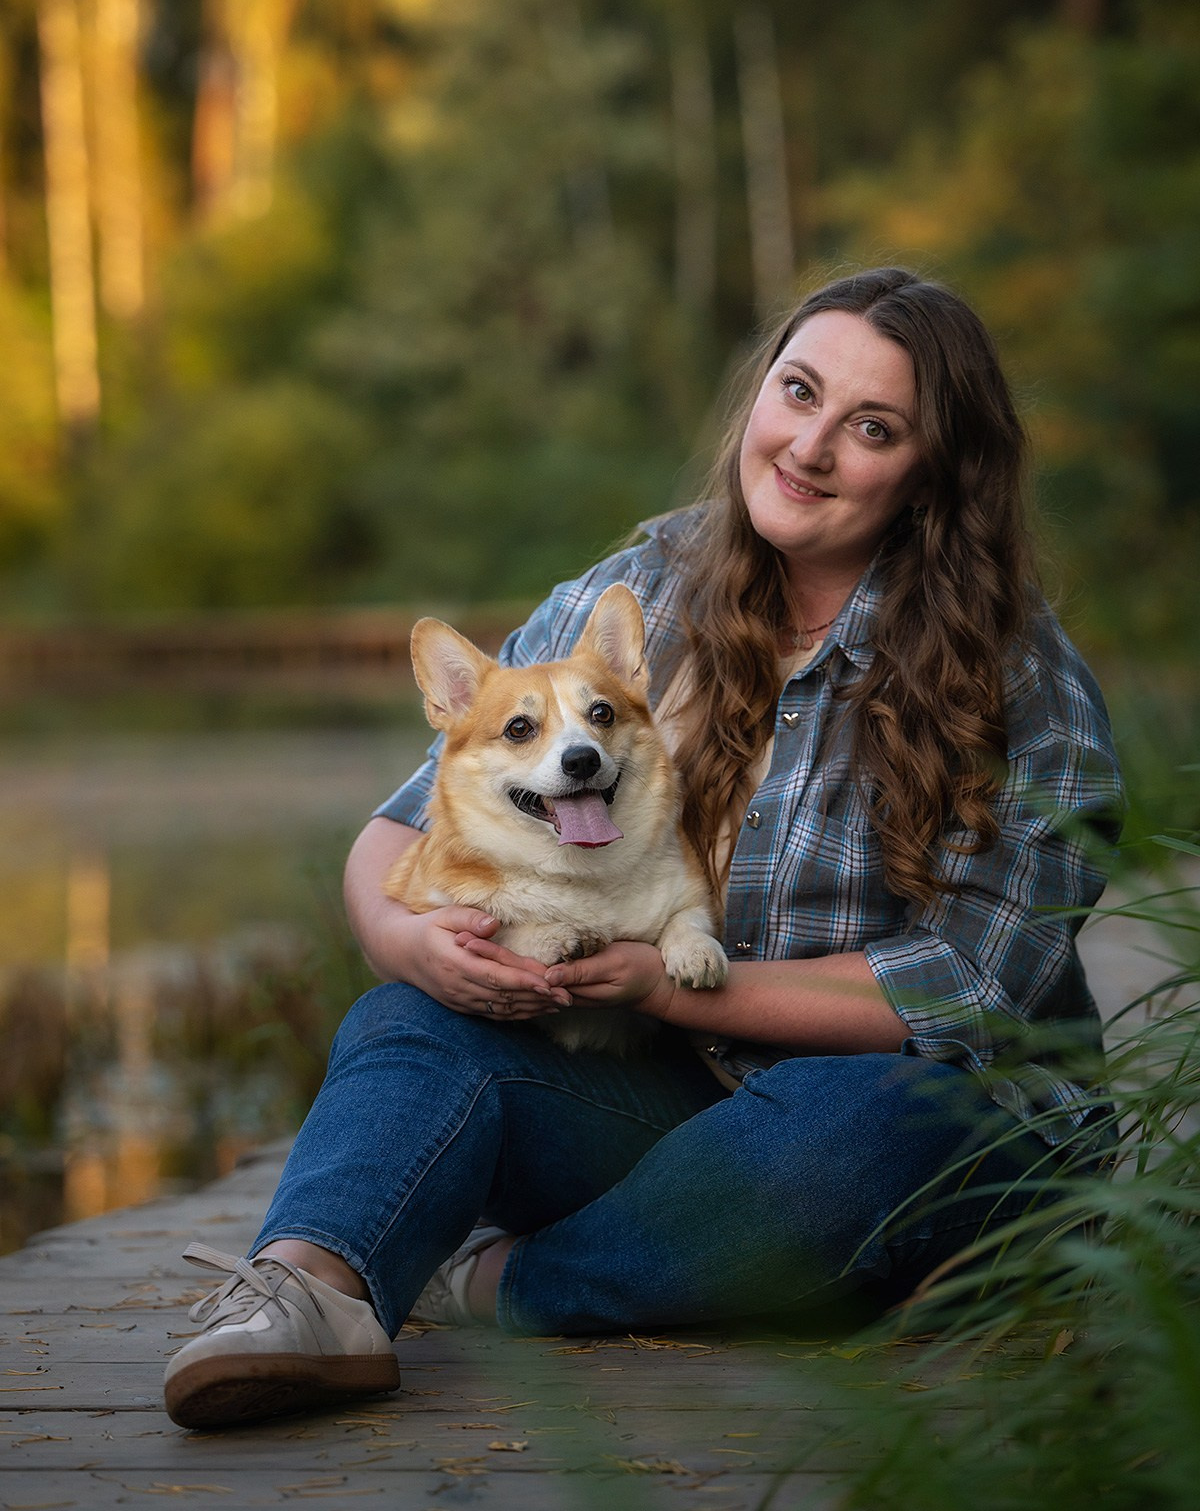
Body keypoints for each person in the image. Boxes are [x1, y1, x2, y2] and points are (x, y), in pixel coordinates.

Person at [163, 268, 1123, 1430]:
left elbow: (975, 988)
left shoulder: (1020, 678)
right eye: (798, 392)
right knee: (406, 1023)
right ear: (758, 396)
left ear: (936, 470)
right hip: (681, 1107)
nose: (810, 446)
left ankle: (505, 1280)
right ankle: (311, 1295)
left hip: (921, 1121)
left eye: (871, 429)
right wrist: (410, 944)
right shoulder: (642, 592)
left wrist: (668, 987)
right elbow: (403, 826)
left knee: (856, 1131)